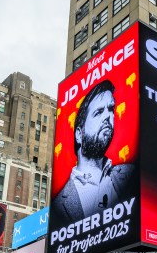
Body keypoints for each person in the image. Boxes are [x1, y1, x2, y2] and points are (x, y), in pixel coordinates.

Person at [49, 80, 137, 227]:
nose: (108, 116)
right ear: (79, 134)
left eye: (111, 109)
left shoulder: (132, 174)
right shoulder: (58, 205)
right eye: (98, 112)